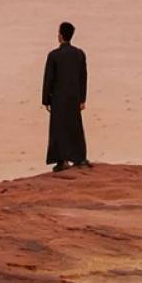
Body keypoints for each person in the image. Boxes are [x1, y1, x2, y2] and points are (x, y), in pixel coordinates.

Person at [42, 22, 89, 172]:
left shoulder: (53, 55)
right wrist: (82, 99)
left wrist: (46, 100)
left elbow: (48, 79)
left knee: (58, 128)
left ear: (61, 36)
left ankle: (61, 161)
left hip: (58, 98)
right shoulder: (79, 54)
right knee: (74, 127)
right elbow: (83, 78)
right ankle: (79, 158)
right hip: (74, 98)